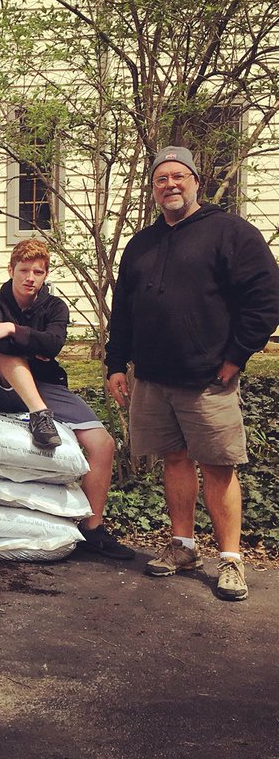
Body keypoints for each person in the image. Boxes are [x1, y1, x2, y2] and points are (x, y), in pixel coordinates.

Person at [105, 145, 279, 601]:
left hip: (207, 379)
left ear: (196, 181)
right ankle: (182, 545)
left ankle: (231, 560)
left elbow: (265, 300)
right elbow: (122, 310)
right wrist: (114, 363)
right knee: (174, 459)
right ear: (154, 188)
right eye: (162, 179)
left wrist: (237, 355)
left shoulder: (230, 233)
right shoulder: (141, 244)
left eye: (179, 176)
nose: (170, 185)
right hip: (152, 377)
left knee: (219, 466)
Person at [0, 239, 134, 560]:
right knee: (7, 354)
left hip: (46, 384)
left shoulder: (55, 307)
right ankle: (39, 414)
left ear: (45, 275)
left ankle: (93, 528)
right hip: (1, 385)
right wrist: (26, 344)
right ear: (11, 270)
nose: (30, 277)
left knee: (102, 443)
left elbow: (53, 345)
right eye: (24, 270)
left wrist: (10, 329)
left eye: (38, 271)